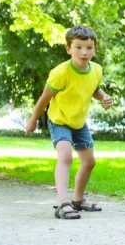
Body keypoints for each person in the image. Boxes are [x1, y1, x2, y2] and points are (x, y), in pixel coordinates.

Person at [25, 25, 113, 219]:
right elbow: (44, 98)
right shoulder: (61, 72)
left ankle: (77, 200)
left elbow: (93, 89)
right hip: (59, 120)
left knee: (89, 162)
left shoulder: (96, 69)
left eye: (89, 47)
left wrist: (104, 96)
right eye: (78, 47)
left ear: (95, 49)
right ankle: (63, 203)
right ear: (68, 49)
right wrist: (32, 121)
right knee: (65, 157)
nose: (84, 52)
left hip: (79, 122)